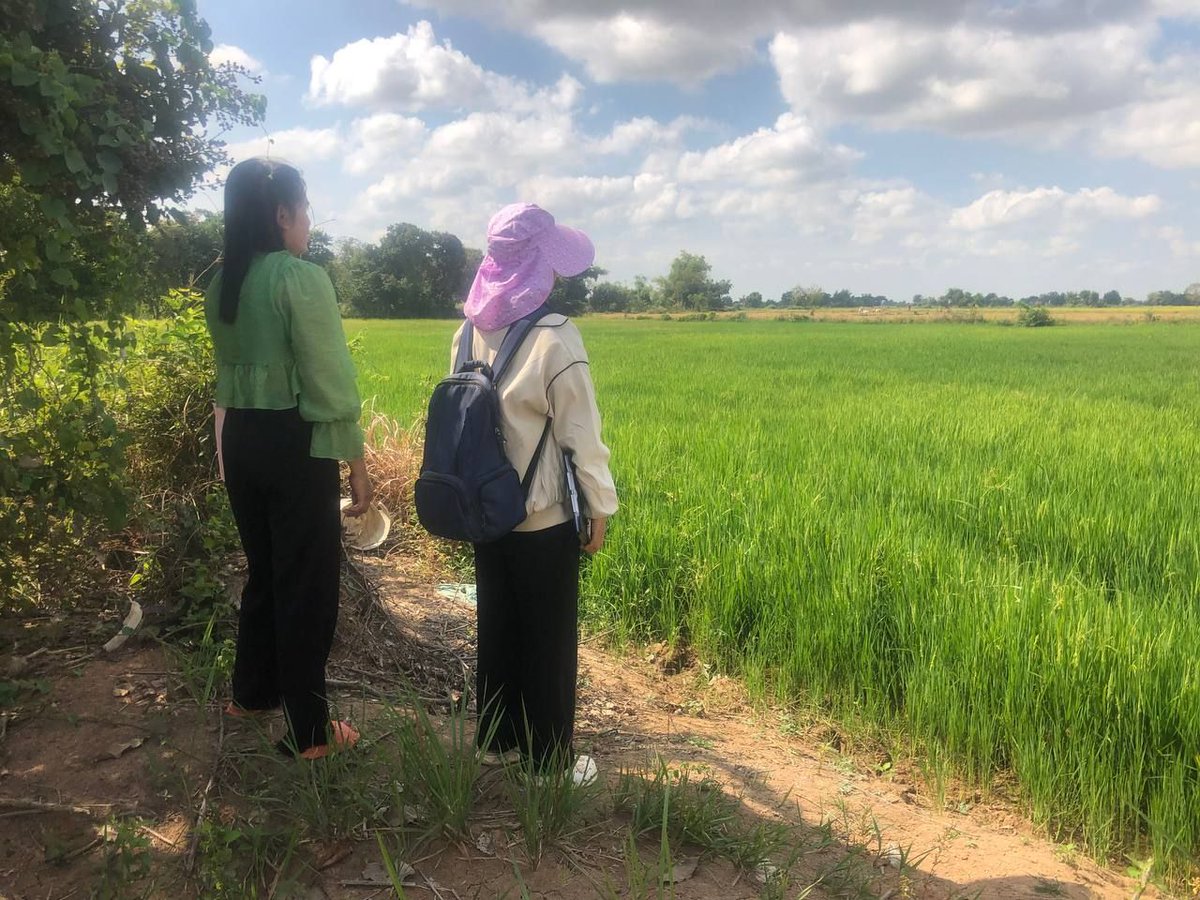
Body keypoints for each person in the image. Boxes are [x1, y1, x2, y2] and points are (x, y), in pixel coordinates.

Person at [204, 157, 373, 760]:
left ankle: (251, 694)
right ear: (282, 215)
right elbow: (329, 381)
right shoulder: (299, 279)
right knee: (307, 586)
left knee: (265, 570)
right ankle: (312, 733)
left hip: (241, 440)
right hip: (294, 442)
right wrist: (355, 461)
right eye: (304, 209)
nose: (309, 221)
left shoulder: (221, 281)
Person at [451, 202, 618, 781]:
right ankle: (549, 764)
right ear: (540, 267)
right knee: (548, 638)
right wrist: (600, 505)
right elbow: (581, 435)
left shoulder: (468, 330)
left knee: (497, 625)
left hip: (485, 510)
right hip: (541, 515)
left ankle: (497, 744)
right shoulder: (555, 337)